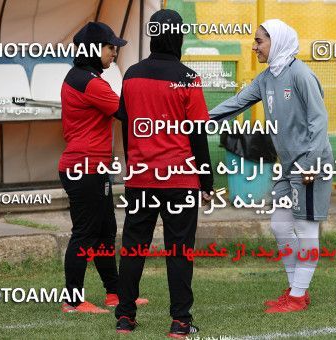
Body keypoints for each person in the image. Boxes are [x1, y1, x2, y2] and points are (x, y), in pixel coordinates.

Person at [209, 19, 333, 313]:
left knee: (305, 229)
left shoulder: (301, 74)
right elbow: (238, 102)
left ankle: (298, 297)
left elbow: (319, 121)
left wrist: (311, 164)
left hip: (309, 166)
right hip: (287, 166)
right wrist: (199, 120)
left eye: (259, 41)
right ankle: (294, 290)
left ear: (276, 42)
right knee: (279, 225)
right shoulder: (266, 78)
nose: (254, 47)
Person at [114, 9, 213, 337]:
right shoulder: (187, 77)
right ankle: (180, 322)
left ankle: (125, 317)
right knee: (179, 250)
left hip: (141, 177)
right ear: (178, 37)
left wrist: (134, 166)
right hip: (180, 180)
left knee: (133, 247)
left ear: (153, 35)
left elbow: (128, 127)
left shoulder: (130, 75)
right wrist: (207, 179)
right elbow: (197, 134)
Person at [58, 21, 148, 313]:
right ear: (94, 49)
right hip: (83, 168)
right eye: (110, 47)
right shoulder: (89, 81)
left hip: (94, 167)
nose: (114, 53)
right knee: (85, 233)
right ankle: (72, 301)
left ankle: (115, 293)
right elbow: (126, 111)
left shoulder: (85, 76)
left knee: (106, 230)